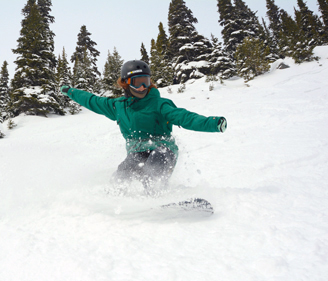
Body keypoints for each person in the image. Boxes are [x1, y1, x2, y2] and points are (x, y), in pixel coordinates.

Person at [61, 60, 227, 193]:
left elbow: (184, 117)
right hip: (137, 152)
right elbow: (92, 100)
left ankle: (155, 195)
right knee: (121, 175)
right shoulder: (118, 106)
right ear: (126, 83)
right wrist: (70, 91)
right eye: (137, 83)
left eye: (146, 82)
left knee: (154, 166)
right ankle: (115, 198)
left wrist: (212, 123)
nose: (142, 87)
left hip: (163, 149)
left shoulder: (159, 104)